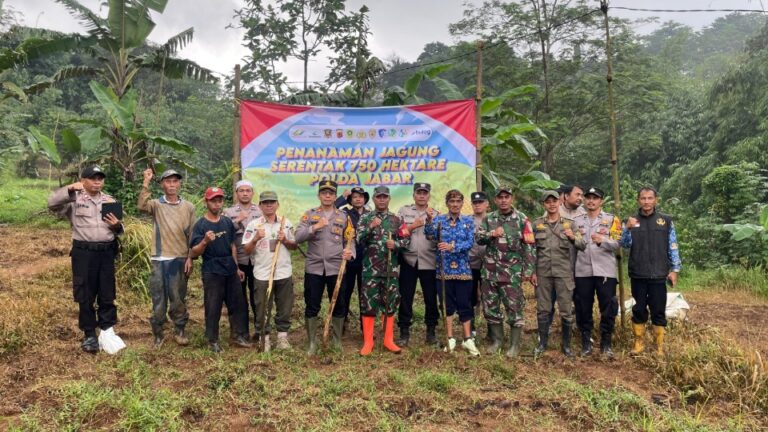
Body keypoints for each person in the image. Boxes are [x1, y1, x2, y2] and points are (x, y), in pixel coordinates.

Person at [48, 165, 124, 353]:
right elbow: (52, 204)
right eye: (92, 178)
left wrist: (117, 226)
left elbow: (120, 230)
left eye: (100, 178)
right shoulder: (74, 199)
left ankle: (107, 329)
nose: (97, 181)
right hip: (84, 253)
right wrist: (69, 189)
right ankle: (89, 334)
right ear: (83, 180)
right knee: (85, 293)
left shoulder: (110, 200)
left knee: (107, 292)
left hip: (106, 252)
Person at [138, 168, 197, 349]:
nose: (171, 185)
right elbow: (141, 206)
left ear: (179, 184)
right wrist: (146, 182)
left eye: (175, 181)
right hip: (159, 259)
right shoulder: (156, 204)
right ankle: (158, 334)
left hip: (179, 259)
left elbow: (193, 235)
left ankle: (179, 330)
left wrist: (190, 257)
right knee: (158, 299)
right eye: (168, 181)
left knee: (178, 297)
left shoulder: (189, 207)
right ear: (162, 184)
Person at [295, 180, 354, 354]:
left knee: (339, 304)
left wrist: (350, 252)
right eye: (324, 193)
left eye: (331, 193)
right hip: (314, 268)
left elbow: (350, 240)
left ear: (335, 196)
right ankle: (312, 342)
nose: (327, 196)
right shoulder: (309, 215)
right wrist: (315, 227)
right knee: (312, 304)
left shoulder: (344, 217)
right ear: (319, 195)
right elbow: (297, 237)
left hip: (336, 267)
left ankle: (336, 340)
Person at [189, 187, 252, 353]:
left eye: (219, 200)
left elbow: (232, 245)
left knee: (237, 303)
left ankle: (237, 335)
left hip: (230, 268)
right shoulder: (200, 225)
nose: (217, 204)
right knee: (213, 306)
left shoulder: (226, 222)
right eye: (213, 200)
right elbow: (194, 251)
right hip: (212, 269)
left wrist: (236, 267)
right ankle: (212, 340)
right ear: (206, 202)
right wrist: (204, 241)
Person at [476, 185, 536, 358]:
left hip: (512, 273)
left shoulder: (522, 220)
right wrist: (491, 234)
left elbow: (530, 246)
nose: (503, 200)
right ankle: (497, 341)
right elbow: (478, 239)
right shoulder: (489, 219)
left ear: (512, 199)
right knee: (491, 308)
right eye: (500, 197)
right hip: (490, 273)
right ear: (495, 200)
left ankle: (514, 345)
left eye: (506, 197)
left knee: (514, 308)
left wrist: (529, 269)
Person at [620, 187, 682, 356]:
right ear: (638, 200)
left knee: (658, 310)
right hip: (638, 273)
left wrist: (674, 269)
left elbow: (673, 245)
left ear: (656, 200)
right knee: (638, 309)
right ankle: (638, 343)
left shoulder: (666, 221)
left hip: (658, 274)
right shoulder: (630, 220)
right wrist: (627, 229)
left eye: (650, 198)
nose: (646, 202)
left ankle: (659, 346)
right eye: (643, 198)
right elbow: (624, 244)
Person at [356, 186, 410, 356]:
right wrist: (371, 226)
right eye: (378, 197)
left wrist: (397, 245)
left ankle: (388, 340)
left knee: (390, 305)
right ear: (373, 199)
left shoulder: (397, 219)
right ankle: (368, 342)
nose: (381, 200)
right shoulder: (366, 217)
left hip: (390, 271)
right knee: (368, 305)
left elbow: (406, 241)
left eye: (384, 197)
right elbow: (358, 239)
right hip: (370, 271)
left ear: (389, 199)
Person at [424, 190, 480, 356]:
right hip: (444, 270)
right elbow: (429, 235)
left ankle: (467, 339)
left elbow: (470, 242)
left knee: (465, 304)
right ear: (447, 203)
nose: (455, 204)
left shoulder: (468, 221)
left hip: (463, 270)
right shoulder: (440, 220)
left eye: (458, 201)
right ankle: (450, 338)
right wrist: (428, 220)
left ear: (462, 203)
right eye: (451, 201)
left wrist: (452, 247)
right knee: (446, 305)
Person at [531, 190, 585, 358]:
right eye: (548, 202)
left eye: (554, 201)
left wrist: (572, 238)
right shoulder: (537, 224)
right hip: (543, 272)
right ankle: (542, 344)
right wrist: (532, 271)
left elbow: (583, 244)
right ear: (544, 205)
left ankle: (566, 346)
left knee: (566, 310)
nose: (552, 204)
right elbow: (531, 250)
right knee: (543, 309)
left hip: (563, 272)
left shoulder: (570, 224)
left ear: (559, 202)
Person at [242, 191, 297, 351]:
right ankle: (264, 339)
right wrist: (256, 238)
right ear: (260, 206)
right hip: (262, 274)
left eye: (272, 202)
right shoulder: (254, 225)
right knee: (262, 307)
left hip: (283, 272)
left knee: (284, 307)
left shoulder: (285, 223)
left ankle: (282, 338)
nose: (269, 205)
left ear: (277, 204)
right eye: (265, 202)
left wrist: (285, 240)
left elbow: (294, 246)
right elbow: (246, 250)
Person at [573, 187, 622, 358]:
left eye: (595, 198)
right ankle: (586, 341)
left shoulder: (611, 219)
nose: (591, 201)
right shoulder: (576, 220)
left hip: (605, 271)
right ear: (585, 201)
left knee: (608, 307)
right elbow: (573, 243)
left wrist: (603, 241)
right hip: (582, 270)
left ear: (601, 201)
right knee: (583, 307)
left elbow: (617, 244)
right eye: (588, 198)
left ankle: (606, 343)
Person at [396, 182, 440, 346]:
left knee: (430, 298)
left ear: (429, 195)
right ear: (414, 195)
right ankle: (404, 332)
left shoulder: (436, 214)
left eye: (425, 193)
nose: (422, 195)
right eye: (419, 192)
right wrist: (413, 226)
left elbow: (439, 237)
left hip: (429, 261)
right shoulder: (404, 211)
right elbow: (398, 233)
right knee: (406, 297)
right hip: (409, 260)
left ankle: (431, 332)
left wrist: (430, 222)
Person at [223, 180, 263, 339]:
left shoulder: (260, 211)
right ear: (236, 193)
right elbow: (224, 232)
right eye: (241, 190)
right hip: (238, 261)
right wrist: (237, 220)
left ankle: (259, 331)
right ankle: (240, 332)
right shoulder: (228, 212)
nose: (245, 193)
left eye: (248, 190)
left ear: (252, 193)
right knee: (238, 298)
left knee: (257, 297)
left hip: (258, 261)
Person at [335, 187, 370, 333]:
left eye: (361, 196)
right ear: (350, 200)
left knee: (365, 294)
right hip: (349, 260)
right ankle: (341, 325)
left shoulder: (370, 215)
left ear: (365, 199)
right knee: (345, 292)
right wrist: (343, 197)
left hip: (366, 260)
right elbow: (332, 207)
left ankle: (365, 328)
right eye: (354, 197)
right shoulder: (345, 213)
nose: (358, 199)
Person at [469, 191, 489, 339]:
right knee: (470, 297)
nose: (478, 205)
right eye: (475, 203)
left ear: (487, 204)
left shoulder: (493, 219)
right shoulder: (467, 221)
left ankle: (492, 328)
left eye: (480, 202)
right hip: (471, 264)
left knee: (489, 297)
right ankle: (471, 328)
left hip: (489, 264)